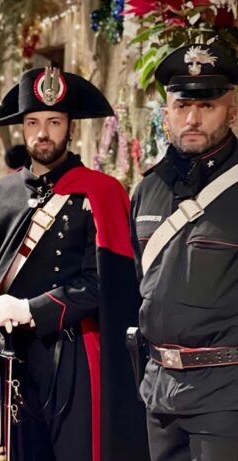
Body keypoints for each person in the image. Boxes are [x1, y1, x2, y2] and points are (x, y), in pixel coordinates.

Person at [0, 67, 147, 461]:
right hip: (7, 357)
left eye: (53, 122)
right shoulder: (0, 195)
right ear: (22, 128)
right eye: (33, 122)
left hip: (75, 358)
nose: (42, 132)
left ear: (70, 128)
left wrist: (33, 309)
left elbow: (108, 285)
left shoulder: (102, 192)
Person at [131, 44, 238, 461]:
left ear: (230, 110)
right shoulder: (148, 189)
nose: (192, 119)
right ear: (166, 113)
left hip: (226, 395)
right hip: (160, 390)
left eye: (206, 105)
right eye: (182, 105)